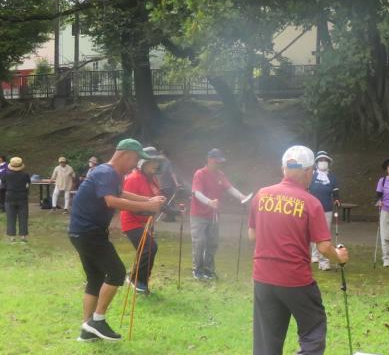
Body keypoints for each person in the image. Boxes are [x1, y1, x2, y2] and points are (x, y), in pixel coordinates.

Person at [248, 145, 350, 355]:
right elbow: (325, 247)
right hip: (295, 279)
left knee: (266, 339)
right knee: (314, 325)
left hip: (263, 277)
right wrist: (341, 256)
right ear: (307, 172)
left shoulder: (262, 195)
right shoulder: (310, 202)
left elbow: (252, 236)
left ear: (284, 168)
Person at [68, 139, 166, 342]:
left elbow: (119, 193)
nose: (136, 164)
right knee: (117, 273)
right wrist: (146, 207)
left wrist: (148, 200)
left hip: (81, 233)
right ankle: (97, 320)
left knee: (95, 279)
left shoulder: (109, 173)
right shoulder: (107, 172)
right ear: (125, 154)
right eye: (136, 159)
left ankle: (87, 331)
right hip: (89, 233)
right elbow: (111, 201)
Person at [190, 148, 251, 280]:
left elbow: (229, 188)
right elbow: (196, 193)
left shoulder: (220, 174)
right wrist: (209, 202)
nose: (220, 164)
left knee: (212, 243)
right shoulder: (200, 174)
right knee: (200, 242)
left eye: (221, 162)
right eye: (218, 162)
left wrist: (241, 196)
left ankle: (208, 270)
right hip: (198, 215)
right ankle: (197, 270)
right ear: (210, 160)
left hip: (214, 215)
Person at [120, 146, 165, 293]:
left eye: (157, 161)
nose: (156, 165)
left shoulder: (153, 179)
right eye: (152, 161)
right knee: (150, 248)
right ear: (142, 163)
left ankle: (137, 279)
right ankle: (137, 280)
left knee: (145, 250)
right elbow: (127, 204)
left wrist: (168, 208)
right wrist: (147, 209)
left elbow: (155, 199)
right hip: (132, 222)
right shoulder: (133, 178)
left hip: (147, 221)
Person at [308, 150, 340, 271]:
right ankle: (314, 255)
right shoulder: (311, 175)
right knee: (312, 233)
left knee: (324, 235)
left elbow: (336, 193)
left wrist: (337, 199)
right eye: (320, 160)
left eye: (325, 160)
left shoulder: (332, 177)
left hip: (327, 209)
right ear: (316, 163)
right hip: (312, 209)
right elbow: (306, 190)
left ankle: (324, 262)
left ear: (328, 163)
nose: (323, 162)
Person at [1, 156, 31, 242]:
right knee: (23, 217)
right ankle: (23, 237)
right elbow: (27, 186)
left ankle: (12, 238)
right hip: (22, 198)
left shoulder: (6, 175)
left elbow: (3, 186)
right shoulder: (25, 175)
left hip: (10, 197)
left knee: (10, 217)